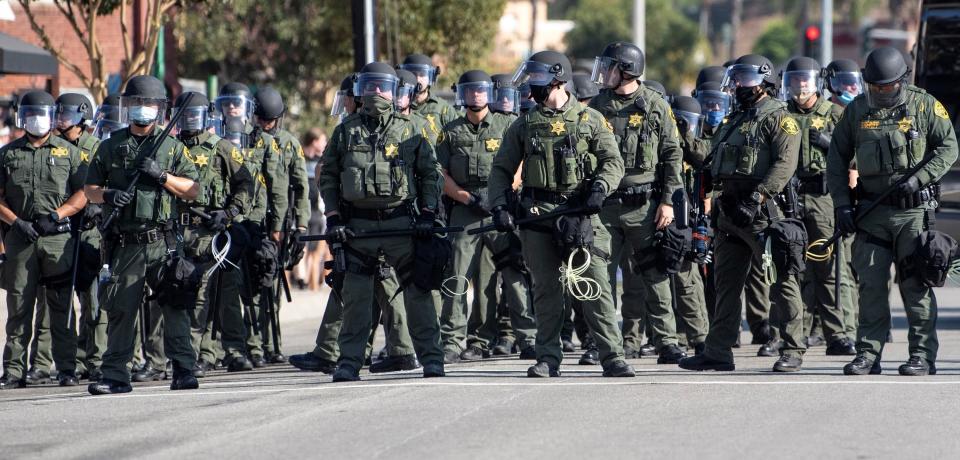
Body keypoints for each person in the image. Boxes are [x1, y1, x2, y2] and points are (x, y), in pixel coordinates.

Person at [487, 50, 635, 378]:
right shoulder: (524, 124)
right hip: (538, 216)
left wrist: (600, 188)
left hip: (581, 213)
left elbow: (614, 162)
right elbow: (500, 169)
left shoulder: (590, 119)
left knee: (594, 285)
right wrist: (499, 205)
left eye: (537, 80)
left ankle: (613, 357)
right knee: (547, 290)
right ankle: (548, 358)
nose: (531, 88)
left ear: (557, 79)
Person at [828, 47, 958, 376]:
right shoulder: (857, 110)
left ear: (902, 81)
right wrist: (842, 204)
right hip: (871, 211)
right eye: (876, 87)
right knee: (870, 286)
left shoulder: (925, 104)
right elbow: (836, 159)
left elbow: (949, 148)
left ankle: (922, 356)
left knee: (915, 286)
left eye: (888, 87)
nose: (882, 92)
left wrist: (920, 179)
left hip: (913, 213)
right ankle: (868, 355)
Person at [318, 62, 445, 382]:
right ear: (360, 90)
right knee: (357, 298)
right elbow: (329, 177)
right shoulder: (345, 131)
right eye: (370, 86)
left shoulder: (410, 129)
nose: (376, 92)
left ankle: (431, 358)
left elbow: (431, 174)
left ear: (395, 92)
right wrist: (333, 217)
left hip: (402, 225)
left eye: (382, 87)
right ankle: (349, 361)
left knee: (417, 294)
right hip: (358, 229)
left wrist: (429, 213)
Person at [678, 54, 805, 372]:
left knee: (781, 282)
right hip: (730, 213)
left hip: (762, 215)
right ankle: (719, 350)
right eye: (736, 79)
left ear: (764, 82)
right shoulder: (734, 119)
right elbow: (708, 156)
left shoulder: (779, 118)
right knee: (726, 285)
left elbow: (784, 165)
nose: (737, 85)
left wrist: (758, 197)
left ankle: (792, 348)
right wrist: (686, 137)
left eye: (744, 79)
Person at [84, 75, 201, 394]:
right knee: (121, 310)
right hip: (126, 244)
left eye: (148, 104)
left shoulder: (172, 147)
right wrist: (107, 196)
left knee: (175, 307)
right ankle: (115, 376)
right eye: (136, 103)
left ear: (160, 109)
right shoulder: (110, 146)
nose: (142, 109)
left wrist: (162, 176)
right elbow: (89, 189)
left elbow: (194, 189)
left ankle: (183, 370)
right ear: (127, 107)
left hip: (162, 242)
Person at [588, 41, 687, 364]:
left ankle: (667, 341)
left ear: (626, 71)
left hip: (645, 206)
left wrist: (668, 201)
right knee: (599, 274)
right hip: (604, 208)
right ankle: (603, 342)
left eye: (611, 67)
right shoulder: (596, 107)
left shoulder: (655, 105)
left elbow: (673, 155)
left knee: (654, 273)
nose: (604, 73)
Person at [437, 70, 536, 362]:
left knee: (514, 273)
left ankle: (528, 338)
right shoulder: (450, 131)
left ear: (489, 93)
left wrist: (500, 195)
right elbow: (440, 174)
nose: (476, 95)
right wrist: (467, 198)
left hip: (501, 209)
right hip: (464, 211)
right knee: (458, 277)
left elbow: (521, 164)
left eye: (481, 90)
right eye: (471, 91)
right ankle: (456, 342)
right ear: (463, 95)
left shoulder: (508, 124)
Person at [0, 91, 86, 390]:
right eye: (31, 113)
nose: (37, 119)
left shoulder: (68, 152)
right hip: (20, 240)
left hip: (57, 241)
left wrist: (59, 215)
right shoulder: (8, 153)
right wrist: (16, 222)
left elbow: (84, 191)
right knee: (19, 305)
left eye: (42, 113)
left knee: (60, 307)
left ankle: (65, 368)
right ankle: (13, 370)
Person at [171, 91, 255, 374]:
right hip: (179, 231)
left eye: (195, 116)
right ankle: (192, 355)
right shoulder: (169, 148)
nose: (190, 121)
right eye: (185, 116)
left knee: (226, 295)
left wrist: (230, 212)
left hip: (215, 232)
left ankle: (234, 350)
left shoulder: (221, 147)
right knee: (188, 294)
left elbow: (246, 183)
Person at [778, 56, 856, 356]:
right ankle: (786, 334)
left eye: (805, 80)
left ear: (817, 82)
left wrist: (829, 143)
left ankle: (836, 334)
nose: (800, 86)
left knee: (826, 267)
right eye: (795, 80)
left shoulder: (835, 114)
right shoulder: (780, 114)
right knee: (788, 269)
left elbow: (853, 157)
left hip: (822, 197)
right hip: (788, 199)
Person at [216, 82, 288, 369]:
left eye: (238, 103)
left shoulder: (263, 142)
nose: (232, 107)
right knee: (227, 288)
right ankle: (228, 349)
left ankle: (258, 346)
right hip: (224, 223)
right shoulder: (214, 138)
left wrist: (277, 229)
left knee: (256, 288)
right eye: (228, 102)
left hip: (255, 224)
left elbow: (279, 187)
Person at [254, 85, 311, 364]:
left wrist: (300, 226)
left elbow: (301, 187)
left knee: (271, 286)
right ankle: (249, 345)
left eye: (270, 120)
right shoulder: (247, 142)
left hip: (279, 224)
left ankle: (270, 344)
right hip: (250, 220)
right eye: (262, 119)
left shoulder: (289, 143)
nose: (266, 125)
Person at [825, 58, 864, 342]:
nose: (850, 88)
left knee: (848, 267)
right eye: (843, 83)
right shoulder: (825, 112)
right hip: (824, 197)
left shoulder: (858, 112)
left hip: (849, 199)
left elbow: (855, 163)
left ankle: (850, 328)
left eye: (854, 82)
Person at [671, 95, 711, 354]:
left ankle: (699, 338)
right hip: (665, 214)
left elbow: (704, 159)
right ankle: (670, 338)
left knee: (688, 280)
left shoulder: (701, 143)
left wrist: (686, 136)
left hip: (689, 219)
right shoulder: (665, 144)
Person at [400, 54, 457, 145]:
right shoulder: (396, 107)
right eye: (413, 74)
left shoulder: (443, 109)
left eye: (422, 74)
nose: (418, 79)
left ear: (431, 77)